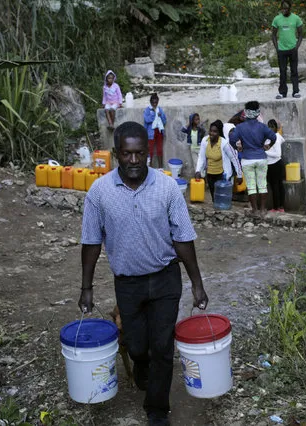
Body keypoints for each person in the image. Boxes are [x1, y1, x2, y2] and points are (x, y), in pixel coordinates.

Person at [78, 122, 208, 426]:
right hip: (128, 284)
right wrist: (86, 287)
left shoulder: (165, 188)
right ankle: (140, 362)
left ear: (148, 153)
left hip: (165, 279)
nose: (134, 161)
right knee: (137, 345)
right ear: (116, 154)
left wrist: (197, 284)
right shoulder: (100, 192)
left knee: (162, 345)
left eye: (139, 154)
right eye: (127, 154)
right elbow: (91, 242)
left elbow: (183, 239)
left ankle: (157, 409)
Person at [229, 101, 278, 217]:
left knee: (251, 186)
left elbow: (231, 139)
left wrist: (237, 147)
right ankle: (263, 209)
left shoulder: (240, 128)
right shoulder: (262, 127)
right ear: (257, 113)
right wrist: (268, 146)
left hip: (247, 159)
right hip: (261, 158)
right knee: (262, 184)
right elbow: (273, 137)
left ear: (246, 113)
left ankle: (254, 210)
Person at [195, 120, 243, 201]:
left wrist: (239, 175)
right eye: (210, 131)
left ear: (219, 132)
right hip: (210, 174)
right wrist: (198, 170)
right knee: (214, 198)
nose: (212, 133)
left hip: (221, 175)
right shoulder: (205, 141)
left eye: (215, 131)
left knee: (222, 198)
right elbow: (201, 157)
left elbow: (234, 158)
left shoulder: (224, 144)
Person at [272, 0, 303, 99]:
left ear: (290, 8)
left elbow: (301, 34)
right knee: (282, 71)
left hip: (292, 49)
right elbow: (273, 35)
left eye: (286, 8)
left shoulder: (296, 18)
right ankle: (282, 92)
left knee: (294, 70)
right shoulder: (277, 19)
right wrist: (277, 48)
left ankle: (295, 91)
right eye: (283, 9)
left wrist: (296, 47)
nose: (284, 10)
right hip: (281, 49)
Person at [265, 119, 286, 213]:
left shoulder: (276, 137)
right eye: (268, 126)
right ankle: (278, 207)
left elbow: (277, 154)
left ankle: (278, 207)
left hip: (275, 164)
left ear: (276, 128)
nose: (270, 128)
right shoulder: (269, 137)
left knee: (276, 186)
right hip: (271, 164)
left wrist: (265, 151)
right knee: (276, 187)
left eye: (272, 126)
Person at [143, 93, 167, 168]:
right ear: (150, 102)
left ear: (158, 102)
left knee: (159, 149)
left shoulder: (160, 109)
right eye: (153, 102)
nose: (154, 104)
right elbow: (146, 120)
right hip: (151, 132)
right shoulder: (147, 110)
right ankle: (150, 167)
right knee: (150, 150)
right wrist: (153, 114)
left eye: (156, 102)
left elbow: (164, 121)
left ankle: (160, 167)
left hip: (159, 131)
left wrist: (161, 116)